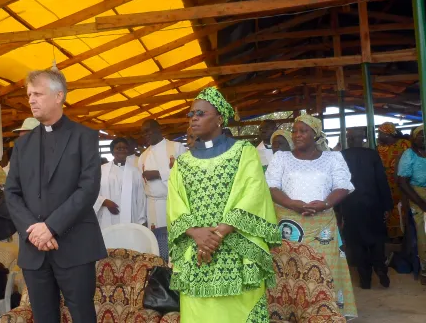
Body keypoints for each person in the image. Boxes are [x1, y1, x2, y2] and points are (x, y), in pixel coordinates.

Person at [167, 87, 280, 323]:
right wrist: (195, 233)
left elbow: (253, 193)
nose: (193, 118)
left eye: (200, 113)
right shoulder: (183, 163)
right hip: (196, 250)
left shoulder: (244, 152)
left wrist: (217, 234)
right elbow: (175, 204)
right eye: (191, 114)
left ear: (219, 118)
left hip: (237, 250)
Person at [5, 68, 106, 323]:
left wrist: (51, 227)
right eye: (29, 94)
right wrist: (35, 231)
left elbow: (87, 189)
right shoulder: (22, 146)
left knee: (82, 315)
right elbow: (12, 193)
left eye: (37, 94)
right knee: (43, 317)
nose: (31, 100)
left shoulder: (85, 137)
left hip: (74, 244)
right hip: (34, 249)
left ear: (59, 96)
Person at [266, 115, 357, 319]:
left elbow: (342, 186)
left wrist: (324, 204)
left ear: (315, 134)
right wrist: (292, 204)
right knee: (290, 269)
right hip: (289, 224)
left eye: (303, 131)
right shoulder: (281, 158)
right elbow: (270, 186)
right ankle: (292, 312)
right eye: (295, 131)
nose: (297, 135)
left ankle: (325, 313)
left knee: (325, 267)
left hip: (322, 224)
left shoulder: (333, 158)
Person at [336, 128, 392, 289]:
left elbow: (338, 183)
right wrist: (387, 205)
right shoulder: (372, 155)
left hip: (350, 204)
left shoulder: (341, 156)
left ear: (348, 138)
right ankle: (381, 269)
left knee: (356, 242)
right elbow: (382, 180)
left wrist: (338, 210)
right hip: (373, 203)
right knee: (377, 238)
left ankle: (365, 279)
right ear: (363, 139)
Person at [138, 119, 187, 230]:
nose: (145, 135)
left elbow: (187, 173)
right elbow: (143, 187)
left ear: (158, 129)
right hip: (153, 205)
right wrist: (142, 218)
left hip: (175, 202)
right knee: (158, 243)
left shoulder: (177, 147)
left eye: (148, 131)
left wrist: (159, 174)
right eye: (143, 132)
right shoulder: (143, 156)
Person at [94, 138, 146, 228]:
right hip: (107, 215)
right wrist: (104, 201)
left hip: (130, 216)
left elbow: (141, 197)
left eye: (125, 148)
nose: (122, 150)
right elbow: (91, 191)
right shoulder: (101, 170)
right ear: (112, 151)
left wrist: (142, 220)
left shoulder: (135, 172)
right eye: (118, 148)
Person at [398, 125, 426, 284]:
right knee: (424, 235)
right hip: (417, 196)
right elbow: (402, 182)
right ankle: (424, 269)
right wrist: (421, 202)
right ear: (413, 138)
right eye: (421, 135)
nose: (424, 138)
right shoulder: (409, 155)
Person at [377, 122, 412, 239]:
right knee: (389, 207)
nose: (378, 135)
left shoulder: (404, 144)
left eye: (380, 133)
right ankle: (393, 236)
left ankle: (406, 234)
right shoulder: (379, 148)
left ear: (387, 134)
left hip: (403, 182)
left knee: (403, 206)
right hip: (385, 183)